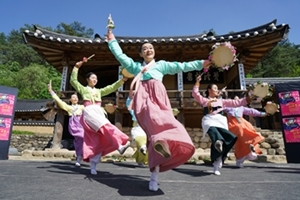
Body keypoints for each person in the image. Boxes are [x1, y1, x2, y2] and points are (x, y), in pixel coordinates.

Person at [106, 28, 211, 191]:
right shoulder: (135, 67)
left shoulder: (161, 66)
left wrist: (201, 63)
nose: (148, 49)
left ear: (154, 53)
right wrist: (112, 40)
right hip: (144, 101)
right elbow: (120, 56)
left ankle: (155, 173)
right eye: (145, 48)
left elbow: (181, 66)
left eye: (151, 48)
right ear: (141, 54)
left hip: (160, 100)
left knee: (167, 124)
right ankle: (160, 143)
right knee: (154, 121)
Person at [70, 60, 130, 175]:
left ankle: (93, 166)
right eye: (92, 78)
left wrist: (122, 80)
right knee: (106, 126)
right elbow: (73, 81)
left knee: (98, 140)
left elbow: (111, 87)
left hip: (98, 112)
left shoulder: (99, 91)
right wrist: (76, 68)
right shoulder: (83, 89)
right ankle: (119, 144)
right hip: (89, 112)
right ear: (88, 79)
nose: (95, 80)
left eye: (96, 78)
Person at [192, 74, 252, 175]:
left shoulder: (222, 101)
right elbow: (195, 93)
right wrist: (198, 81)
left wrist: (249, 98)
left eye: (217, 88)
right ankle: (218, 144)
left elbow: (236, 103)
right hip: (209, 120)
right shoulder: (204, 101)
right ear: (209, 90)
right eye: (215, 88)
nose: (217, 89)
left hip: (220, 121)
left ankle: (218, 160)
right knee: (215, 134)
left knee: (230, 138)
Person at [48, 80, 84, 167]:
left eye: (76, 97)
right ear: (70, 100)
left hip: (81, 125)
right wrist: (51, 92)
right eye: (73, 97)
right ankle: (83, 154)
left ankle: (79, 157)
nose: (75, 98)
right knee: (83, 136)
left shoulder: (82, 107)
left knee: (79, 142)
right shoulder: (68, 107)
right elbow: (59, 101)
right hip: (74, 126)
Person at [223, 96, 266, 168]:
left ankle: (250, 145)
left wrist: (262, 114)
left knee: (250, 129)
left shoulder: (241, 108)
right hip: (233, 124)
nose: (237, 101)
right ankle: (248, 145)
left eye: (238, 99)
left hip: (242, 122)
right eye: (235, 99)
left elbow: (251, 111)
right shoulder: (228, 107)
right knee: (240, 129)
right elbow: (221, 105)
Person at [126, 96, 148, 167]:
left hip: (146, 131)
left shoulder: (149, 113)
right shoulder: (135, 113)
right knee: (141, 144)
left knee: (144, 147)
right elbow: (128, 104)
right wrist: (131, 96)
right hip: (137, 130)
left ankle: (140, 160)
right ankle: (141, 159)